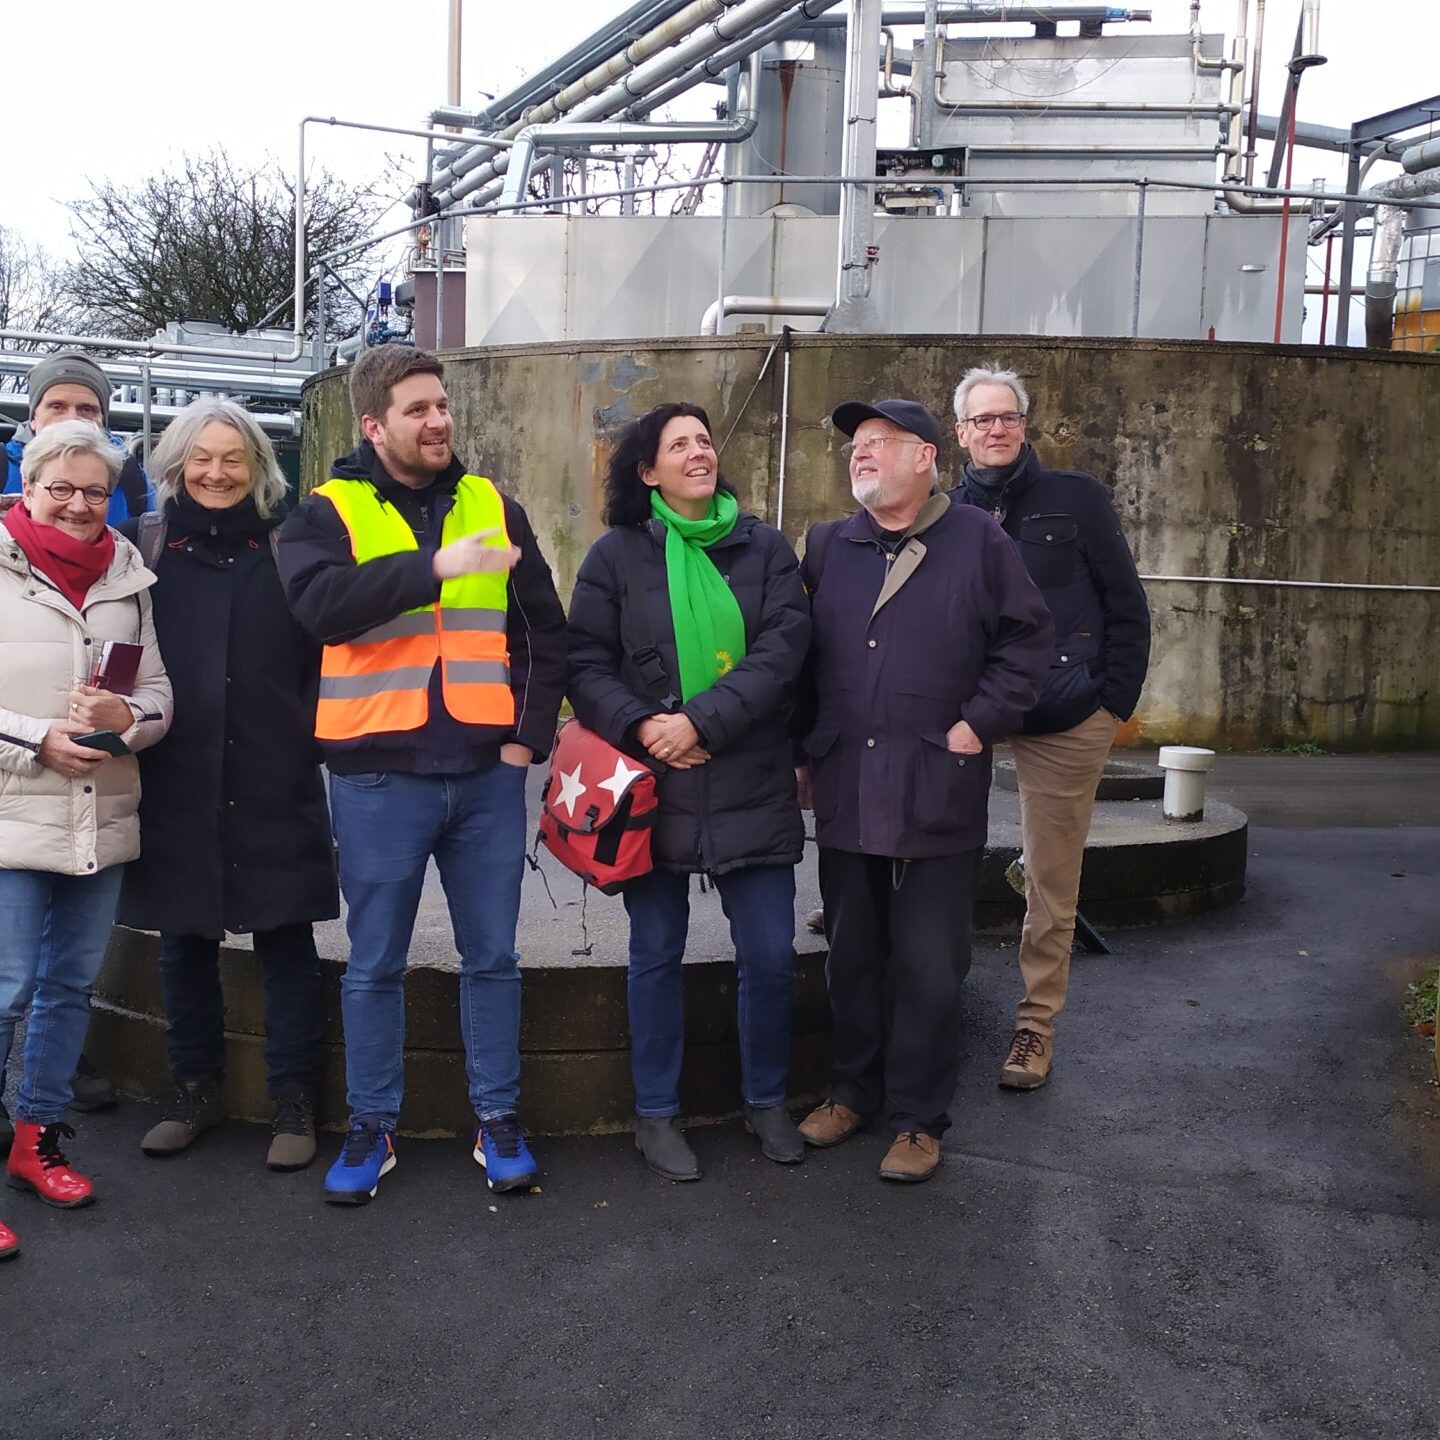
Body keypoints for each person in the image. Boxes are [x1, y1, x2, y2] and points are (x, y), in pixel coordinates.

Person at [277, 344, 566, 1205]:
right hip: (376, 777)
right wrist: (433, 570)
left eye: (442, 405)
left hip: (484, 775)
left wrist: (525, 740)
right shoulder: (321, 515)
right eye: (417, 409)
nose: (438, 420)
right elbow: (321, 608)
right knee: (372, 965)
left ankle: (499, 1119)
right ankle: (372, 1126)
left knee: (494, 959)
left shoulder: (493, 506)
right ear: (374, 424)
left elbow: (544, 631)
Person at [795, 398, 1052, 1184]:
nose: (861, 455)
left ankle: (917, 1119)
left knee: (932, 966)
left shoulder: (978, 540)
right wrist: (802, 750)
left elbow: (1027, 640)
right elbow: (798, 655)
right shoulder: (829, 545)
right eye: (856, 445)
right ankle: (853, 1092)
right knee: (853, 958)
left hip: (936, 782)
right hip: (847, 783)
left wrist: (980, 722)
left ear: (926, 458)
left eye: (881, 443)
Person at [567, 402, 812, 1183]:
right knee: (655, 956)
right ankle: (656, 1115)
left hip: (751, 776)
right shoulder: (614, 558)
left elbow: (783, 651)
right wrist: (647, 728)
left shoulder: (765, 549)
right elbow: (586, 663)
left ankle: (767, 1099)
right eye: (679, 445)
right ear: (648, 472)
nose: (699, 452)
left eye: (705, 441)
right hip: (656, 787)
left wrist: (702, 721)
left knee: (772, 956)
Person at [116, 399, 338, 1172]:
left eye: (232, 458)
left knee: (286, 941)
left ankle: (294, 1100)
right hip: (176, 769)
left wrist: (305, 731)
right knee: (185, 942)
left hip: (274, 768)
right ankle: (194, 1089)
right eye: (201, 458)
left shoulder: (288, 545)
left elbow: (326, 652)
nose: (216, 472)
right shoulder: (142, 550)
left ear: (257, 468)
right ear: (176, 465)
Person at [950, 365, 1151, 1090]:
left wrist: (1110, 703)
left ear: (1025, 425)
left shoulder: (1077, 499)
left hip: (1068, 710)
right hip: (974, 709)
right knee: (926, 841)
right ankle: (926, 1000)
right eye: (981, 420)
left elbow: (1126, 604)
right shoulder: (946, 513)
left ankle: (1034, 1027)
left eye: (1006, 417)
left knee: (1052, 880)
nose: (995, 429)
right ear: (961, 433)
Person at [0, 421, 172, 1258]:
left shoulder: (128, 578)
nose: (77, 504)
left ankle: (37, 1139)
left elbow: (159, 694)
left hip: (100, 815)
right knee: (5, 990)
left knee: (69, 987)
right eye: (59, 487)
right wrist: (37, 738)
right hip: (13, 814)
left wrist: (126, 720)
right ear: (28, 484)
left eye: (95, 491)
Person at [4, 350, 151, 527]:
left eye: (86, 409)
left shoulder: (130, 477)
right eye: (57, 406)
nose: (72, 419)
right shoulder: (3, 469)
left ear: (102, 421)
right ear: (33, 418)